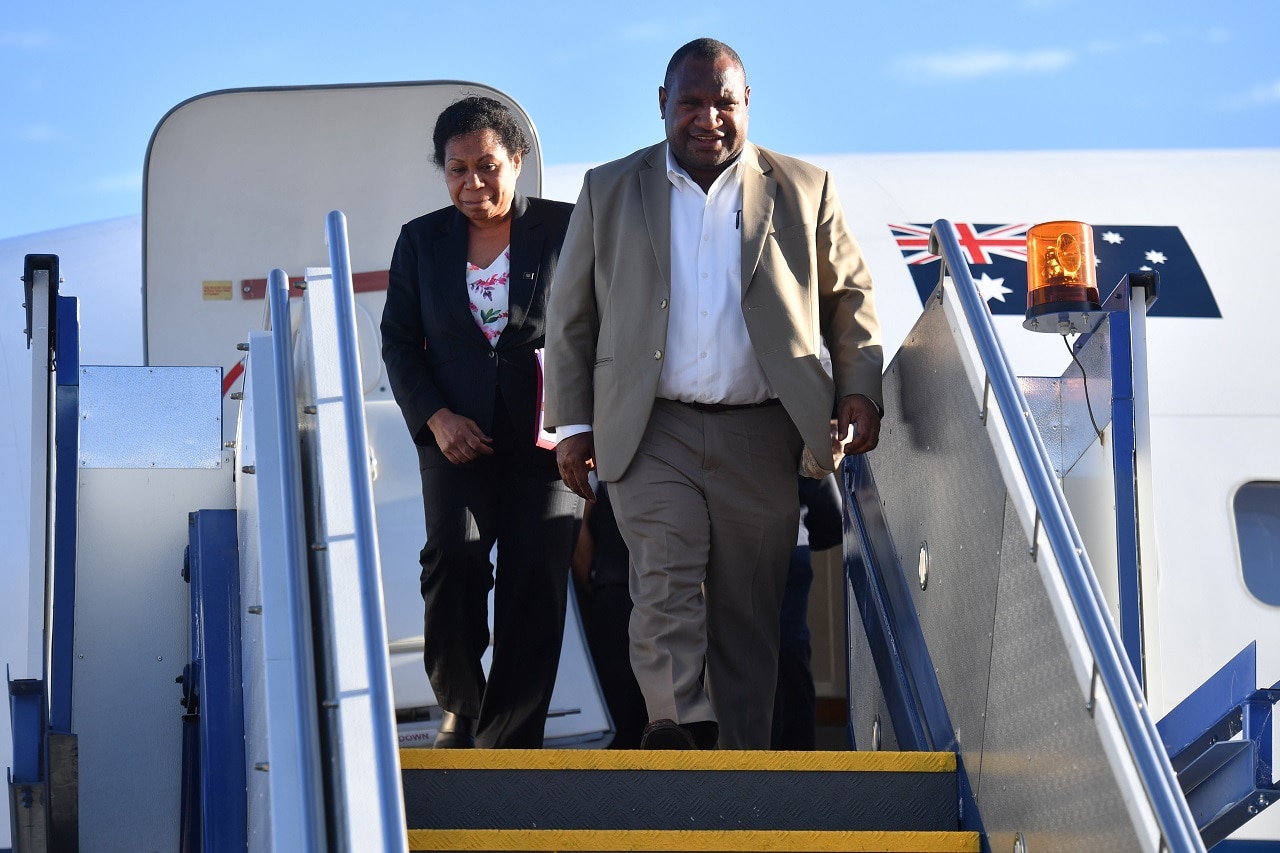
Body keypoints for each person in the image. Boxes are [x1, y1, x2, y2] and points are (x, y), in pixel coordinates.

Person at [543, 38, 884, 750]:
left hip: (762, 429)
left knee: (749, 612)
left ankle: (739, 764)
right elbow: (571, 316)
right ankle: (679, 725)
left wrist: (859, 389)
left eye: (723, 102)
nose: (708, 118)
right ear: (662, 105)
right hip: (650, 424)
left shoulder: (804, 187)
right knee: (662, 577)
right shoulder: (609, 189)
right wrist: (572, 424)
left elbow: (849, 294)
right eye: (691, 102)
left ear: (747, 104)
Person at [381, 95, 584, 749]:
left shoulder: (567, 227)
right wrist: (436, 418)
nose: (472, 183)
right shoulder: (420, 241)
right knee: (455, 560)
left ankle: (511, 737)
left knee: (536, 580)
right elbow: (397, 343)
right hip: (456, 438)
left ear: (517, 160)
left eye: (488, 166)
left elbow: (601, 326)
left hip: (548, 441)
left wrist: (589, 425)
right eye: (456, 169)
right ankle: (461, 706)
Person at [570, 482, 649, 748]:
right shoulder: (594, 449)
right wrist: (597, 577)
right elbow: (579, 516)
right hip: (617, 591)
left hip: (622, 588)